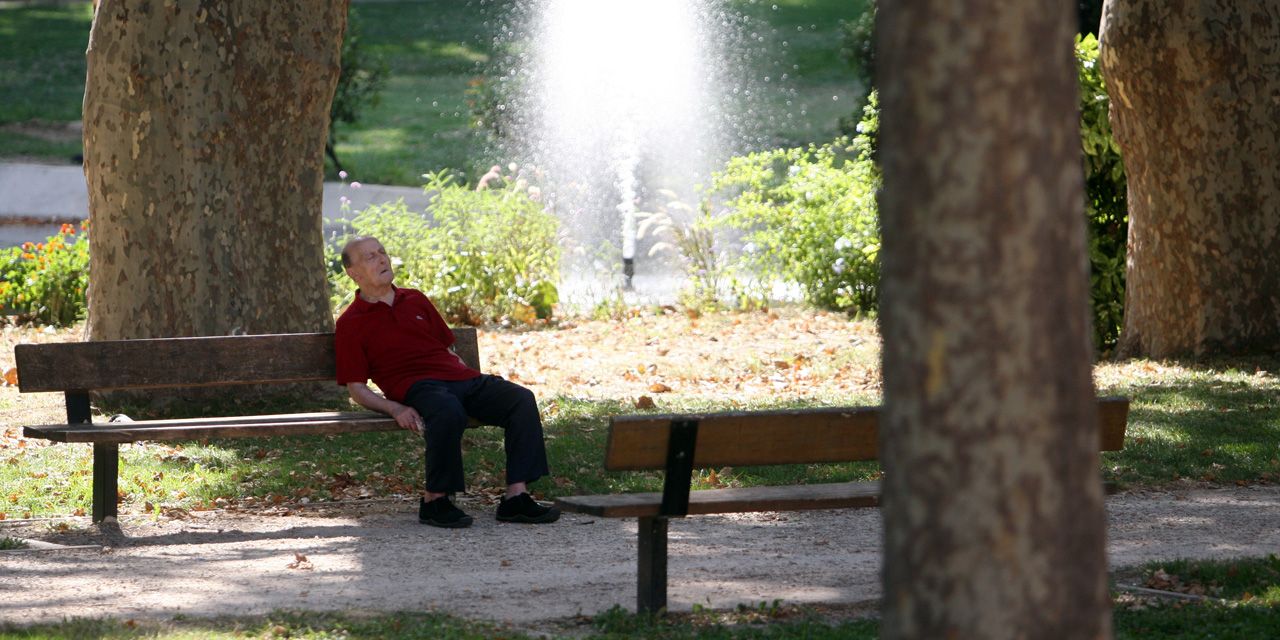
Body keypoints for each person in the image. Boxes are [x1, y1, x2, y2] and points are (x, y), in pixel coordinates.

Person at [334, 236, 559, 528]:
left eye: (382, 252)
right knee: (447, 409)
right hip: (418, 388)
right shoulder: (351, 322)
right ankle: (435, 501)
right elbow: (356, 389)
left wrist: (462, 373)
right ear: (353, 273)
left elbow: (447, 348)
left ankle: (516, 497)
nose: (381, 259)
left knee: (520, 399)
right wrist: (395, 408)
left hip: (461, 379)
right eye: (370, 257)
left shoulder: (415, 299)